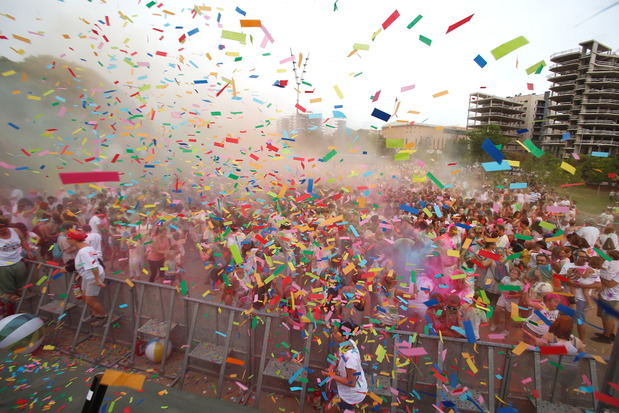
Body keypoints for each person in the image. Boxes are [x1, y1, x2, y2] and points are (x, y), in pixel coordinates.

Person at [322, 322, 368, 412]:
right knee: (328, 409)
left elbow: (351, 382)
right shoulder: (347, 342)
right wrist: (331, 366)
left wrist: (331, 375)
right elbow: (338, 356)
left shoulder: (350, 358)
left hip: (352, 395)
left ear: (344, 336)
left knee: (329, 409)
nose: (333, 334)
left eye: (335, 333)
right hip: (347, 391)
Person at [66, 229, 107, 325]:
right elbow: (90, 261)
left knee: (90, 300)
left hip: (93, 276)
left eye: (68, 238)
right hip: (88, 275)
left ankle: (103, 315)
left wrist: (97, 280)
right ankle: (95, 313)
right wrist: (81, 273)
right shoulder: (88, 247)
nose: (67, 240)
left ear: (73, 240)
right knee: (84, 297)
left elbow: (93, 265)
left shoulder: (83, 252)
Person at [0, 216, 32, 305]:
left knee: (21, 285)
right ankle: (11, 308)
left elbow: (23, 241)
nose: (1, 231)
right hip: (3, 266)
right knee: (8, 290)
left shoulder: (15, 231)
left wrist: (28, 250)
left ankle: (21, 302)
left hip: (17, 262)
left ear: (7, 226)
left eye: (3, 228)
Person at [592, 250, 619, 343]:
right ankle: (608, 333)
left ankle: (607, 336)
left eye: (607, 255)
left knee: (607, 317)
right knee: (604, 316)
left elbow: (610, 284)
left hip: (611, 297)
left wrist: (601, 278)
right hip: (605, 295)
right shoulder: (612, 265)